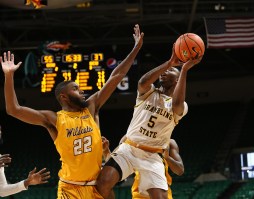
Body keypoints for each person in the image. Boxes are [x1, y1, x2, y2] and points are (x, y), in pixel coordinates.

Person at [0, 24, 144, 199]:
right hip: (70, 189)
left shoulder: (91, 107)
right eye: (76, 89)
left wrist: (135, 49)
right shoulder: (54, 119)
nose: (81, 90)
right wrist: (8, 76)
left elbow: (116, 76)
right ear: (64, 97)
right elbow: (13, 109)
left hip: (96, 186)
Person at [96, 44, 202, 199]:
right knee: (103, 183)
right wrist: (169, 63)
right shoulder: (149, 93)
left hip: (152, 155)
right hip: (129, 148)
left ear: (178, 79)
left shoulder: (180, 106)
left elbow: (178, 104)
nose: (164, 72)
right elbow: (142, 82)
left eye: (170, 71)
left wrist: (184, 70)